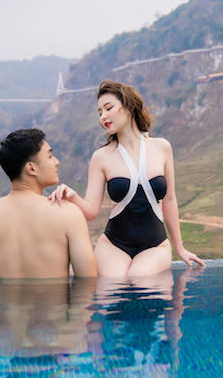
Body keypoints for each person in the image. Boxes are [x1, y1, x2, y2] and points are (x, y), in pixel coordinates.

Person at [49, 80, 204, 277]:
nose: (103, 117)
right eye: (100, 113)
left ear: (129, 106)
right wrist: (72, 195)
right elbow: (91, 211)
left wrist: (180, 248)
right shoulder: (101, 157)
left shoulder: (162, 147)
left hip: (155, 245)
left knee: (139, 278)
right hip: (113, 245)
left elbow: (170, 200)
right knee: (113, 282)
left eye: (108, 108)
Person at [0, 128, 97, 279]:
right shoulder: (68, 213)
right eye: (50, 156)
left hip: (5, 295)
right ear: (31, 168)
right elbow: (88, 279)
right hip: (52, 295)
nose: (57, 162)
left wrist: (2, 266)